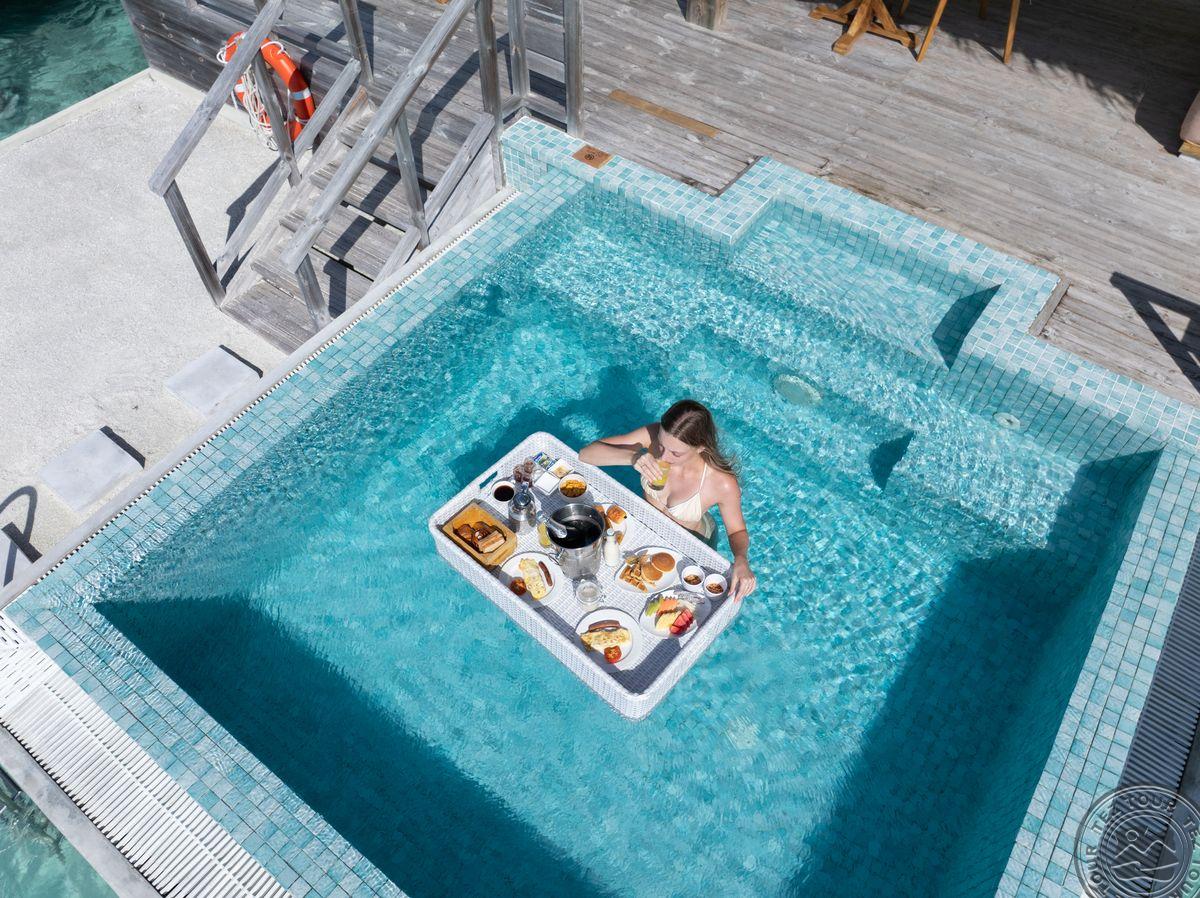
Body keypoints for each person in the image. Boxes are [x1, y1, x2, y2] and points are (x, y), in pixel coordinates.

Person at [579, 400, 757, 601]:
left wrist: (741, 559)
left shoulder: (720, 482)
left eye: (675, 453)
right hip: (647, 529)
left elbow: (737, 531)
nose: (663, 457)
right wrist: (632, 457)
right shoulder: (653, 434)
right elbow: (586, 454)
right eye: (661, 446)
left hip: (689, 543)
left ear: (700, 448)